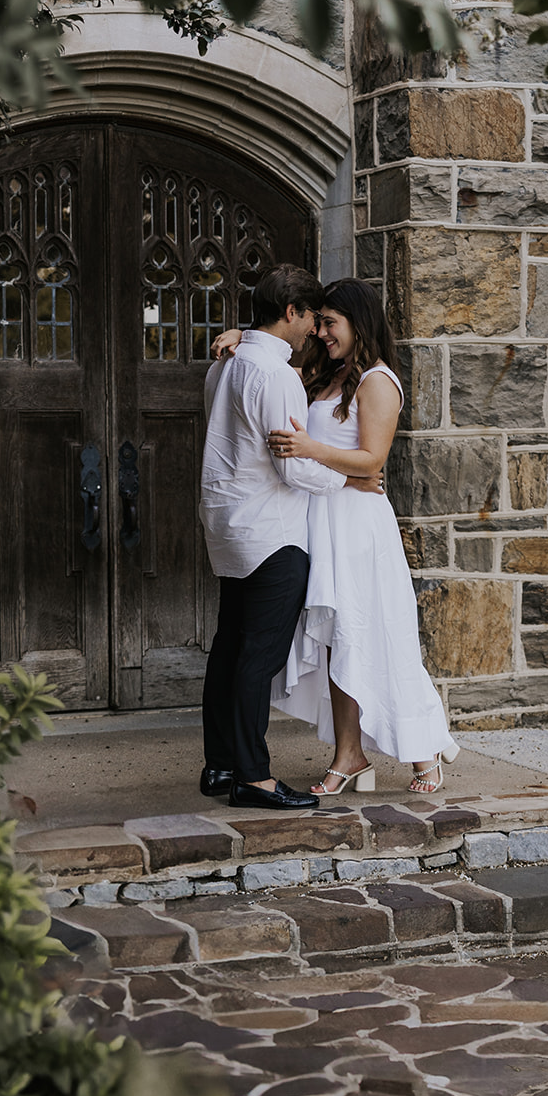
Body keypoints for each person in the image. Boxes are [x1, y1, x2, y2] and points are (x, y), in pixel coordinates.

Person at [214, 278, 458, 794]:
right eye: (318, 321)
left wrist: (309, 449)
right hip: (318, 517)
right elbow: (269, 353)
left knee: (378, 634)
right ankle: (350, 755)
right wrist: (241, 335)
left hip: (357, 524)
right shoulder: (326, 375)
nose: (321, 333)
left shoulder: (378, 381)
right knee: (337, 641)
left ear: (358, 323)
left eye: (331, 323)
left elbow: (373, 460)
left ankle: (423, 750)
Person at [198, 263, 382, 811]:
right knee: (257, 657)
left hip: (229, 525)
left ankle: (221, 765)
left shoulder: (226, 364)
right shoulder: (273, 374)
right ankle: (253, 777)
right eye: (311, 319)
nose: (313, 333)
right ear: (292, 312)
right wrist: (351, 478)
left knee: (229, 649)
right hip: (271, 531)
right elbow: (292, 466)